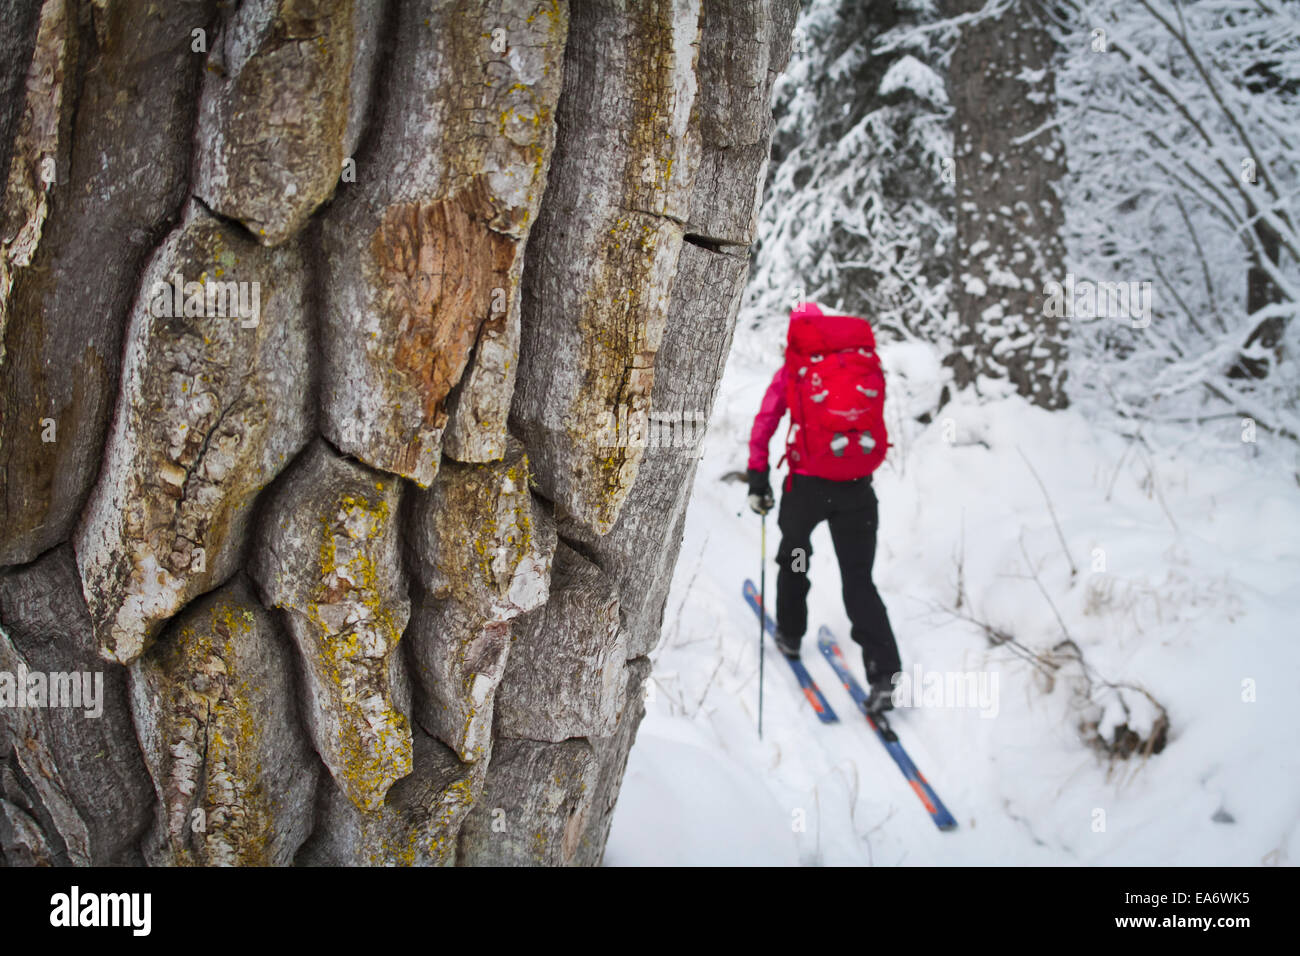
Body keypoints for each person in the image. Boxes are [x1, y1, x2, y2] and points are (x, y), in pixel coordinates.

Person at [746, 302, 900, 715]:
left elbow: (765, 423)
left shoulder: (796, 370)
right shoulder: (860, 363)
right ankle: (885, 675)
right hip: (857, 493)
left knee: (796, 558)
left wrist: (758, 479)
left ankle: (791, 634)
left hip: (808, 491)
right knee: (859, 579)